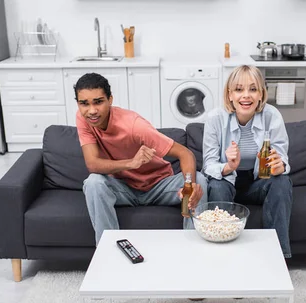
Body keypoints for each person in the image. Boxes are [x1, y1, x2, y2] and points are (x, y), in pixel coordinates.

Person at [74, 72, 207, 244]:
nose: (92, 110)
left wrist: (189, 185)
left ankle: (193, 249)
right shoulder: (83, 118)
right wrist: (131, 163)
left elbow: (185, 153)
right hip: (124, 189)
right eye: (84, 104)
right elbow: (93, 164)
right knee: (93, 183)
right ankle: (107, 252)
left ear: (110, 100)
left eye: (98, 102)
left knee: (201, 180)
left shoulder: (134, 125)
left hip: (159, 186)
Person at [202, 65, 293, 258]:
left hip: (258, 182)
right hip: (227, 181)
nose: (246, 96)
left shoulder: (272, 116)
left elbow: (282, 158)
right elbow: (209, 165)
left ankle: (277, 257)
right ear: (230, 95)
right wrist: (228, 166)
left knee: (282, 181)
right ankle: (222, 257)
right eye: (239, 89)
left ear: (261, 94)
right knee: (217, 186)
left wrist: (279, 166)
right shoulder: (215, 119)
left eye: (253, 89)